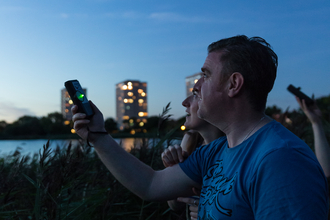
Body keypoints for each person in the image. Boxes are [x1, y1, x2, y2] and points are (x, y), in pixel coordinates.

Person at [72, 35, 329, 219]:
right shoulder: (215, 151)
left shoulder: (281, 161)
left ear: (233, 84)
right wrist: (99, 137)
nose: (196, 87)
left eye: (205, 75)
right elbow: (151, 184)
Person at [161, 92, 224, 220]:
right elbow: (175, 205)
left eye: (196, 95)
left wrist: (209, 208)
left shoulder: (233, 147)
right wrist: (173, 168)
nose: (185, 102)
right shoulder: (191, 140)